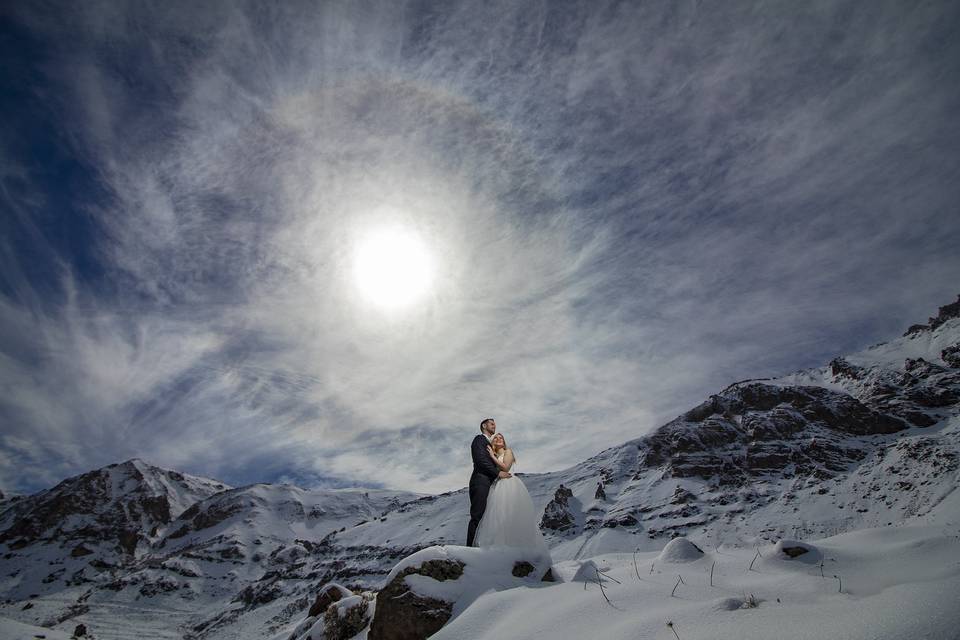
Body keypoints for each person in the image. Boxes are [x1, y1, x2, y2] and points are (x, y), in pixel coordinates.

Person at [473, 432, 551, 562]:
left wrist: (492, 456)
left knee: (510, 514)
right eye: (495, 438)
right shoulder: (494, 454)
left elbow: (505, 467)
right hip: (496, 486)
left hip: (509, 484)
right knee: (497, 516)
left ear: (504, 442)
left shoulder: (508, 452)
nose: (498, 439)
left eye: (501, 438)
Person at [466, 418, 508, 547]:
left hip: (490, 484)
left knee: (487, 517)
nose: (494, 425)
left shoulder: (491, 446)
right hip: (480, 481)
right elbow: (480, 461)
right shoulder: (479, 439)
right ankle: (470, 548)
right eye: (491, 423)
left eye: (495, 423)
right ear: (484, 426)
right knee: (477, 515)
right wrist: (498, 473)